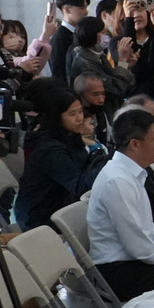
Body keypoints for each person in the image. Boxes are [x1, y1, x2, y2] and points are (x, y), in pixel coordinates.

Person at [88, 108, 154, 301]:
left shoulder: (133, 174)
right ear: (135, 143)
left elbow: (150, 230)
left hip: (133, 261)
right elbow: (139, 247)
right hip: (117, 271)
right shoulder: (117, 181)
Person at [14, 85, 108, 231]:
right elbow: (80, 187)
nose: (79, 118)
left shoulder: (68, 135)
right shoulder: (49, 149)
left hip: (62, 202)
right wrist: (112, 161)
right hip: (41, 217)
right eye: (72, 114)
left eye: (80, 112)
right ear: (57, 117)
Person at [47, 0, 91, 81]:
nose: (86, 12)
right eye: (82, 8)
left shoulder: (79, 34)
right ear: (67, 10)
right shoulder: (59, 38)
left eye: (86, 8)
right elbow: (59, 73)